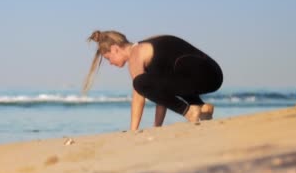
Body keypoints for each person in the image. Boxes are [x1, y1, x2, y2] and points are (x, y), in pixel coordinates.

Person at [83, 30, 223, 131]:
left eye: (108, 58)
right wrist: (157, 128)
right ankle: (201, 108)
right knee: (156, 81)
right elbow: (161, 95)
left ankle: (190, 111)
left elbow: (139, 96)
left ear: (115, 49)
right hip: (214, 75)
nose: (110, 63)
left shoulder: (136, 55)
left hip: (201, 75)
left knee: (139, 83)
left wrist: (133, 131)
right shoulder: (146, 46)